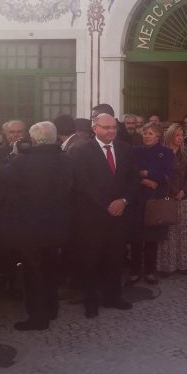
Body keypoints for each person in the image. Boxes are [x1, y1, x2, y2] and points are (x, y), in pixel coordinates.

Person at [0, 121, 73, 330]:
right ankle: (52, 309)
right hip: (57, 226)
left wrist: (13, 154)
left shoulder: (22, 162)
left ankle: (38, 318)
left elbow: (0, 175)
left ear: (33, 139)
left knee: (34, 273)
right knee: (51, 269)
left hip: (30, 229)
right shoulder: (65, 160)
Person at [69, 113, 138, 318]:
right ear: (95, 128)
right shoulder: (81, 151)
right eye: (106, 128)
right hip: (93, 216)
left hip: (119, 215)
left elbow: (134, 179)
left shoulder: (125, 149)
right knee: (91, 259)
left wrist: (123, 200)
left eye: (114, 128)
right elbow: (82, 184)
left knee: (115, 258)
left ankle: (113, 297)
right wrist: (106, 204)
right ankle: (91, 301)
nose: (111, 131)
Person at [128, 122, 172, 285]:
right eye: (145, 133)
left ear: (158, 135)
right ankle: (134, 272)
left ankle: (149, 271)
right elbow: (130, 172)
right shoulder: (135, 151)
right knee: (136, 238)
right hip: (137, 199)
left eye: (150, 133)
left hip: (155, 199)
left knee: (152, 238)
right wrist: (146, 180)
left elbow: (166, 175)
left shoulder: (166, 152)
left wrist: (148, 173)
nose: (146, 136)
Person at [156, 124, 187, 275]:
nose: (180, 138)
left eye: (182, 135)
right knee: (169, 231)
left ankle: (184, 264)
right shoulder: (163, 153)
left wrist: (183, 190)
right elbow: (163, 175)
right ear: (170, 136)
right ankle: (167, 265)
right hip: (168, 195)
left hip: (184, 197)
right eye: (177, 135)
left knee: (184, 231)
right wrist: (174, 191)